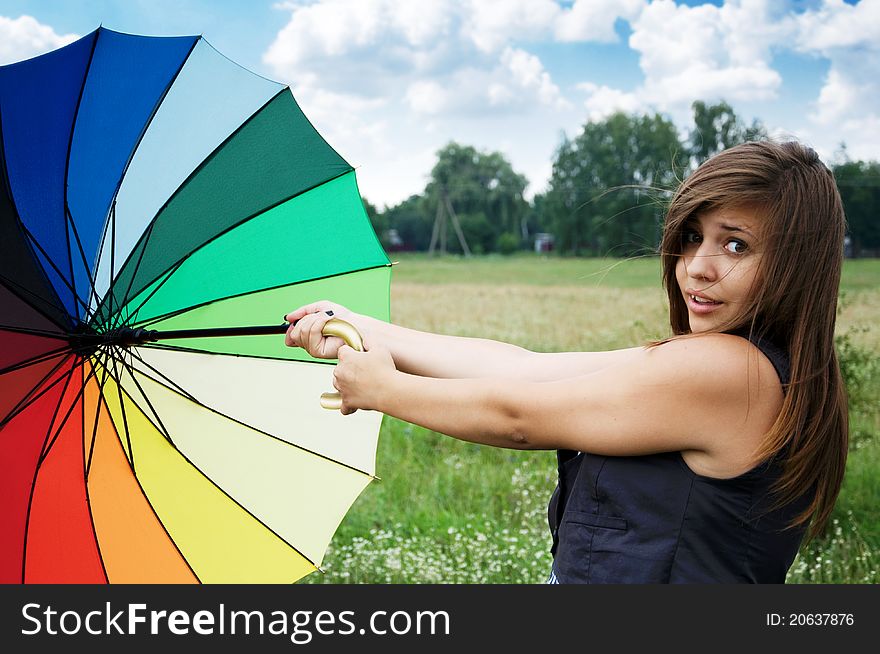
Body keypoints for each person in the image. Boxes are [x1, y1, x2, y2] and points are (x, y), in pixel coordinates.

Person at [284, 140, 849, 583]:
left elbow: (518, 417)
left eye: (735, 245)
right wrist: (360, 326)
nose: (696, 266)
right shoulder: (716, 363)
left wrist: (384, 390)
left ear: (796, 264)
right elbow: (522, 368)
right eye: (692, 236)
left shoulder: (734, 374)